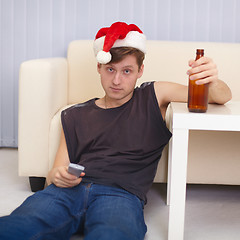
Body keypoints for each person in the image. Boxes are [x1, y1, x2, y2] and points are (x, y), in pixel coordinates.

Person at [0, 22, 232, 240]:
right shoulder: (74, 115)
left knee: (112, 234)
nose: (117, 80)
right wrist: (58, 176)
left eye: (127, 71)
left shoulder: (153, 96)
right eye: (110, 69)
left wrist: (211, 80)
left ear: (141, 71)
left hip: (120, 196)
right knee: (19, 226)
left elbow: (221, 97)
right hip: (66, 194)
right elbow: (54, 174)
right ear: (99, 68)